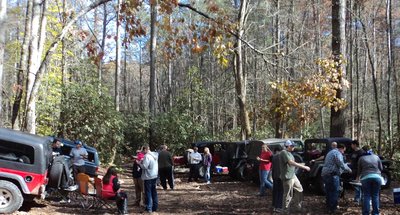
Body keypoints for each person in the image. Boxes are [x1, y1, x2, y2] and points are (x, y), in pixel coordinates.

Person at [279, 140, 310, 213]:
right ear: (288, 146)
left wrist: (303, 164)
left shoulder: (290, 153)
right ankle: (285, 211)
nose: (294, 147)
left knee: (299, 189)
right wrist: (304, 167)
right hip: (287, 177)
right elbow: (290, 162)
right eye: (292, 146)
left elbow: (292, 163)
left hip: (293, 175)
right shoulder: (283, 152)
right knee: (288, 194)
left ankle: (298, 207)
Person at [321, 143, 352, 214]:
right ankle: (333, 209)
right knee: (334, 191)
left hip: (325, 174)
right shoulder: (337, 153)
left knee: (328, 191)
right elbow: (340, 163)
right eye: (343, 151)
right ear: (341, 148)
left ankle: (328, 206)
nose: (343, 152)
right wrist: (349, 169)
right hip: (332, 175)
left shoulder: (330, 152)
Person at [357, 145, 383, 215]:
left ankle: (366, 213)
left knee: (366, 195)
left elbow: (359, 170)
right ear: (371, 150)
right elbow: (381, 168)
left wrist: (357, 179)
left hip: (365, 178)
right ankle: (375, 213)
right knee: (375, 195)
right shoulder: (376, 157)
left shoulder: (361, 158)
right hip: (377, 177)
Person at [139, 145, 159, 213]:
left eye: (142, 150)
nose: (142, 152)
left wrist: (139, 163)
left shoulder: (146, 156)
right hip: (154, 175)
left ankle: (149, 208)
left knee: (148, 192)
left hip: (148, 176)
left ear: (145, 150)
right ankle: (155, 207)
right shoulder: (155, 154)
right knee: (154, 191)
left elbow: (145, 166)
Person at [272, 146, 283, 213]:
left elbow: (273, 168)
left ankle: (274, 205)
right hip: (281, 176)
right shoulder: (282, 156)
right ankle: (279, 207)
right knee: (281, 192)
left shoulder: (274, 157)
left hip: (275, 176)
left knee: (275, 191)